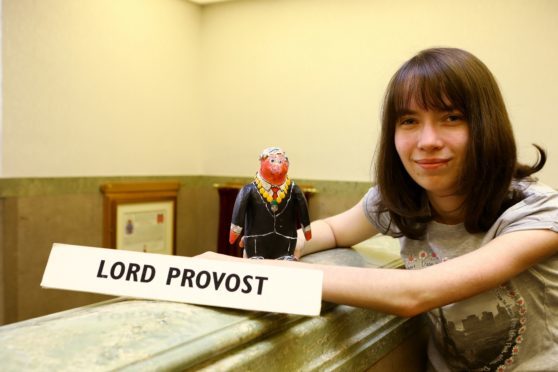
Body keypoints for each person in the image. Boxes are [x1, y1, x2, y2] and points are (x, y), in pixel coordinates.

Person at [204, 48, 558, 371]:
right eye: (409, 121)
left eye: (451, 118)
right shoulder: (397, 199)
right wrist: (278, 249)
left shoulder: (539, 212)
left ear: (486, 125)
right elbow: (334, 230)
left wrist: (262, 274)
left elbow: (415, 293)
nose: (428, 141)